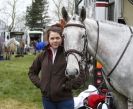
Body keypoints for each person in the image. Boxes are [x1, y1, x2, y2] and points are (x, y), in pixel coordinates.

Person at [28, 24, 85, 109]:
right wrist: (41, 84)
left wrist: (68, 85)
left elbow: (82, 74)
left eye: (57, 38)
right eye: (52, 38)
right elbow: (32, 72)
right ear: (48, 40)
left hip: (65, 101)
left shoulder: (69, 55)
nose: (55, 41)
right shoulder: (42, 55)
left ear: (62, 39)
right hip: (47, 100)